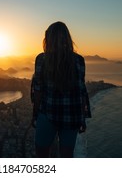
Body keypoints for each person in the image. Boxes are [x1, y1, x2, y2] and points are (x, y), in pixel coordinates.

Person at [31, 21, 91, 157]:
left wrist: (35, 114)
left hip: (48, 114)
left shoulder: (42, 59)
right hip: (72, 116)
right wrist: (82, 118)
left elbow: (38, 90)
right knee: (66, 156)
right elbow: (81, 91)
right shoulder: (79, 60)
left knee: (42, 154)